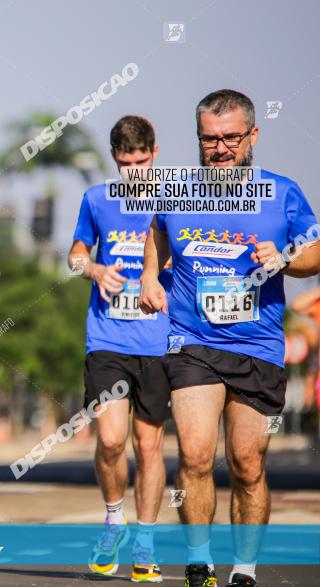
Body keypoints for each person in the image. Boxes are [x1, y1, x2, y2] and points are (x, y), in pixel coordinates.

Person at [139, 89, 320, 587]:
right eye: (209, 139)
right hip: (191, 340)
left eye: (231, 139)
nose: (220, 149)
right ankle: (199, 562)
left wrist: (284, 257)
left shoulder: (282, 192)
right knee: (195, 455)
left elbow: (315, 252)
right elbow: (156, 231)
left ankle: (244, 569)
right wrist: (150, 276)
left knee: (246, 462)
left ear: (252, 137)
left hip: (257, 344)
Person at [69, 115, 171, 583]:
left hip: (160, 340)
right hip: (108, 337)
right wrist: (92, 270)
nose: (136, 172)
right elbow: (74, 255)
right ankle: (114, 518)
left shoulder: (177, 200)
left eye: (143, 161)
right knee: (110, 440)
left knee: (148, 445)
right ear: (115, 157)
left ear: (155, 153)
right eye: (127, 162)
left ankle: (146, 542)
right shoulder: (96, 200)